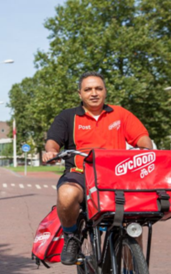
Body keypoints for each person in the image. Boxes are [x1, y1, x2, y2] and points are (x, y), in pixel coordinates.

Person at [42, 71, 153, 265]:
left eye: (98, 88)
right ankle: (71, 237)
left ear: (105, 91)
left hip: (117, 176)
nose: (93, 93)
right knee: (66, 195)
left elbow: (142, 138)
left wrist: (144, 148)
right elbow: (53, 142)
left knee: (132, 223)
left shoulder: (120, 114)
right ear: (80, 94)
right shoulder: (68, 117)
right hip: (80, 174)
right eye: (88, 89)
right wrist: (51, 152)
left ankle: (132, 267)